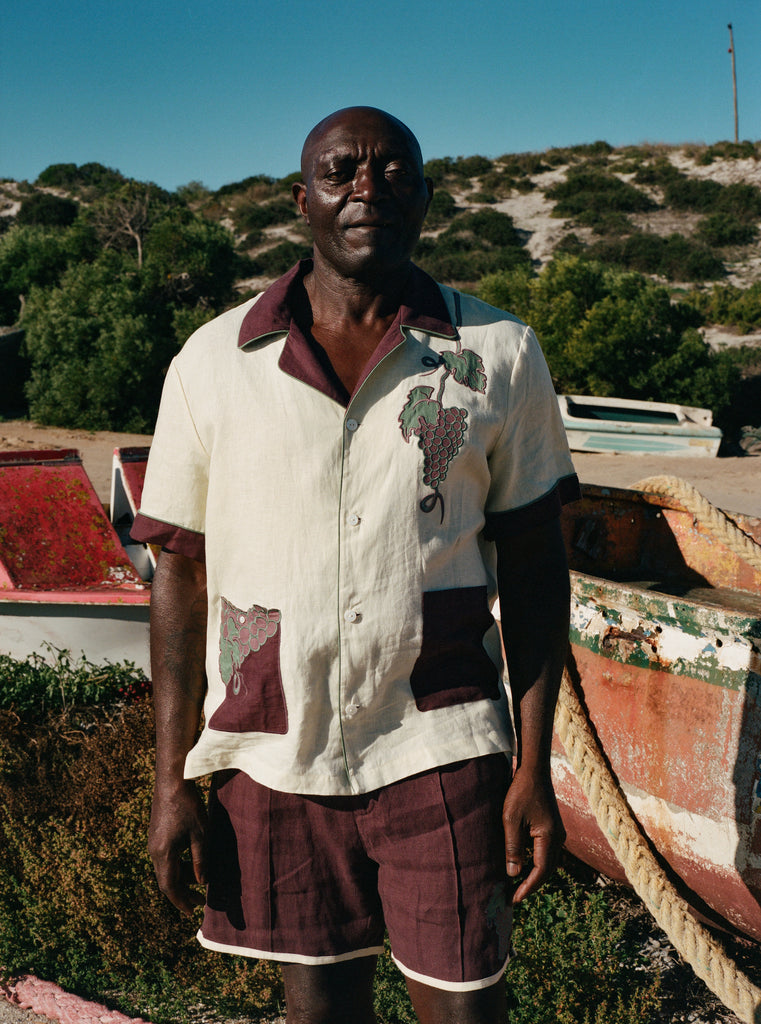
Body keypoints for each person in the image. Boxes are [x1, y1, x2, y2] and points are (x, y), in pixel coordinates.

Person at [132, 106, 580, 1024]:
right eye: (341, 172)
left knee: (464, 1007)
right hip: (270, 745)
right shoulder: (215, 361)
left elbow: (536, 573)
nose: (366, 189)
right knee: (320, 1011)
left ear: (426, 200)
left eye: (392, 172)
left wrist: (535, 768)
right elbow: (177, 576)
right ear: (302, 201)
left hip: (439, 743)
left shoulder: (494, 353)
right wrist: (170, 777)